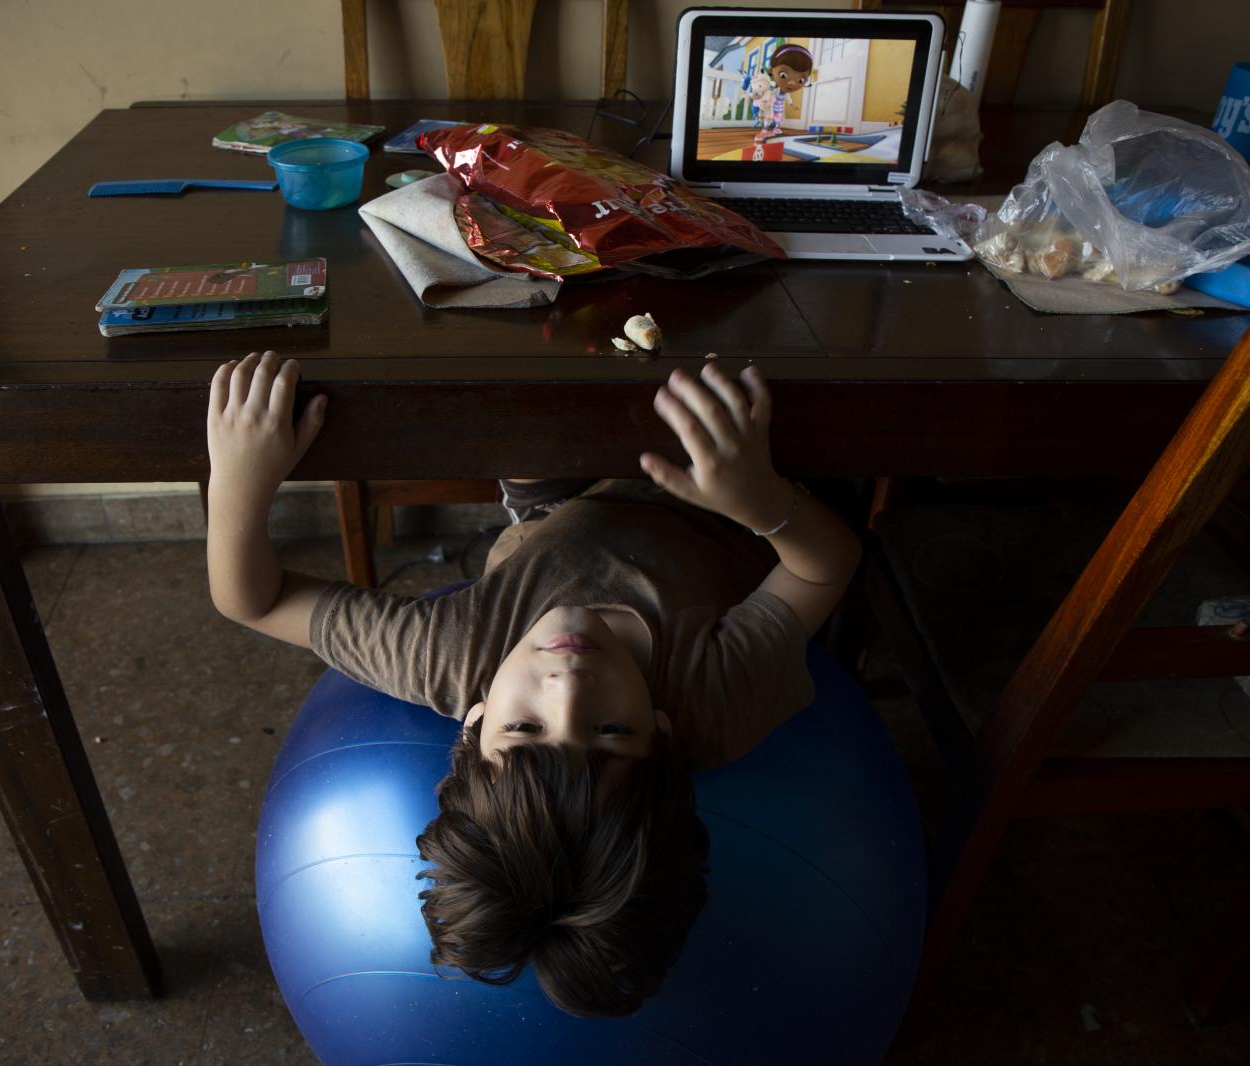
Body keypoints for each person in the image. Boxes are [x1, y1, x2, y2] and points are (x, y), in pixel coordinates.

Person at [206, 351, 863, 1017]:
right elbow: (825, 568)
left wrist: (239, 478)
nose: (568, 685)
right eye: (611, 729)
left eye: (524, 728)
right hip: (730, 505)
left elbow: (253, 601)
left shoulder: (449, 652)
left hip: (560, 511)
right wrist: (766, 503)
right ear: (663, 732)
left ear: (474, 720)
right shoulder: (715, 696)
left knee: (527, 383)